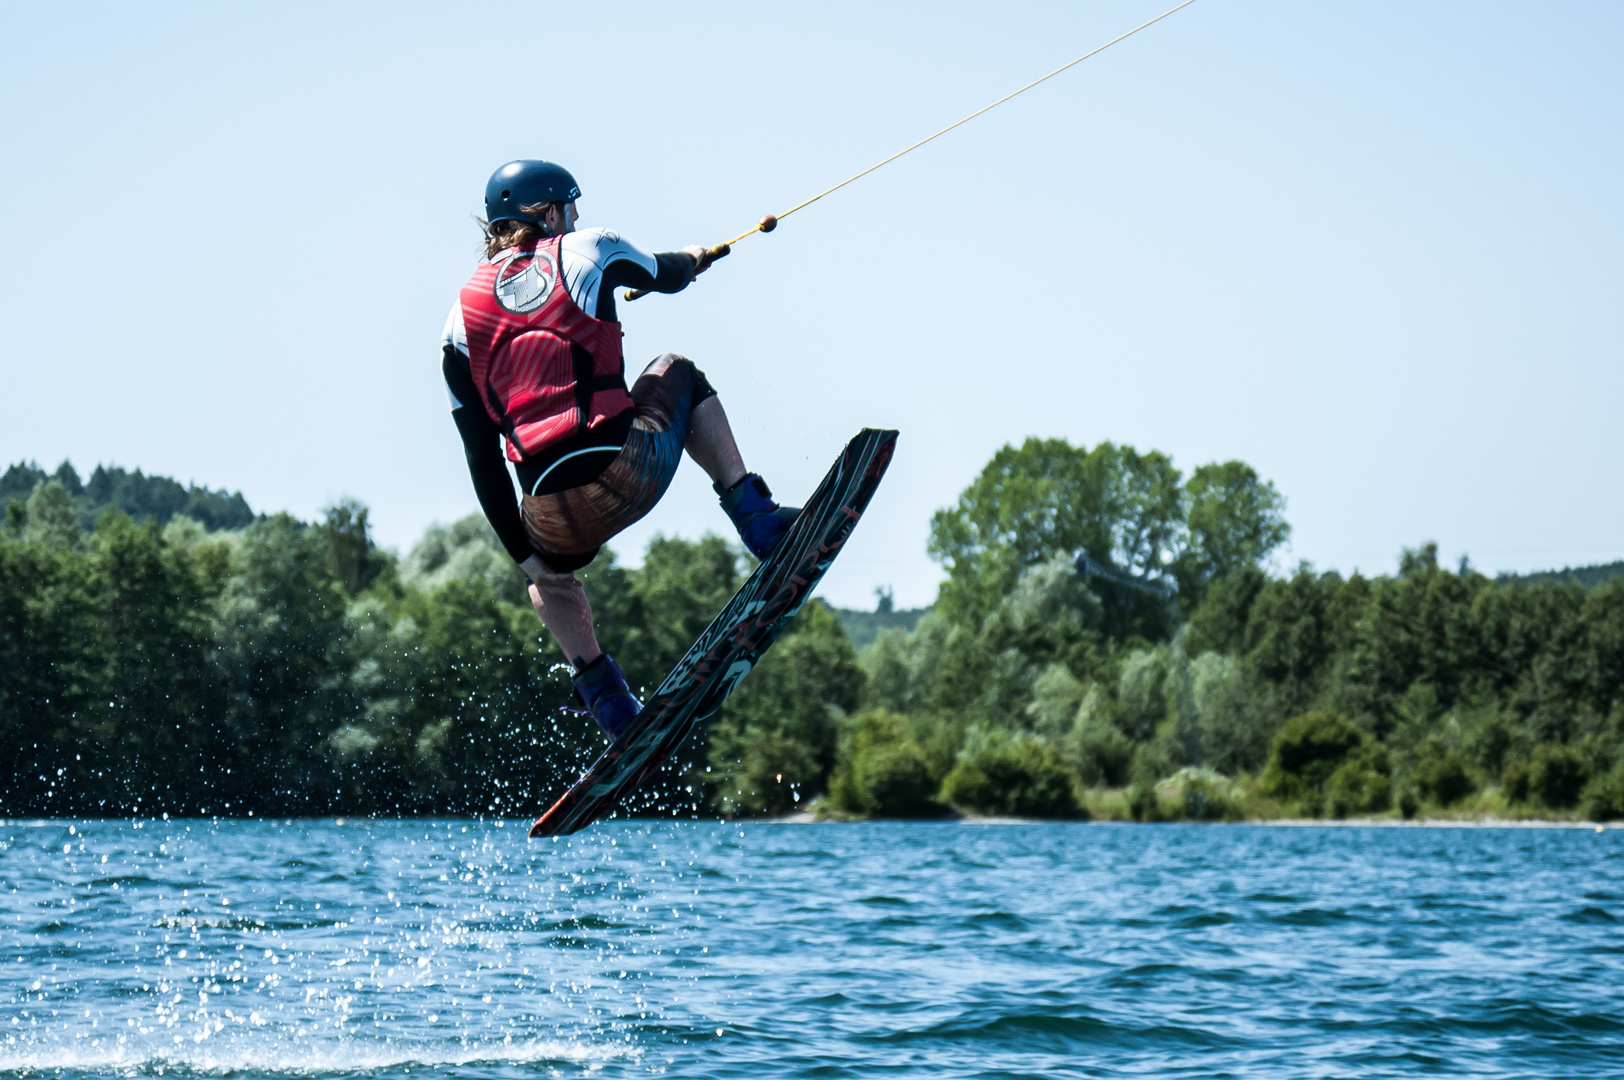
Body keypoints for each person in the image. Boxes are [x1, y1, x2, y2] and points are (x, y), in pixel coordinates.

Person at [441, 159, 797, 741]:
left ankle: (603, 694)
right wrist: (697, 256)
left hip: (552, 518)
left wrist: (528, 558)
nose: (576, 217)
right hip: (629, 469)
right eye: (569, 208)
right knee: (679, 370)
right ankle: (755, 518)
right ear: (549, 212)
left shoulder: (456, 324)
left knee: (545, 577)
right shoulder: (587, 249)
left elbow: (482, 460)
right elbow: (670, 273)